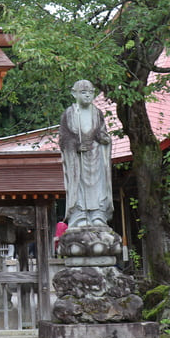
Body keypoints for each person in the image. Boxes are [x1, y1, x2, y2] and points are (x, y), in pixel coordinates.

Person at [59, 80, 113, 228]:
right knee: (79, 186)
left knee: (98, 187)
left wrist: (103, 138)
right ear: (74, 93)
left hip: (95, 154)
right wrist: (75, 145)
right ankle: (80, 215)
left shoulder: (97, 113)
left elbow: (102, 131)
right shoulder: (69, 114)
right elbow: (63, 138)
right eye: (83, 92)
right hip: (78, 159)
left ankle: (98, 215)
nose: (87, 96)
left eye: (90, 92)